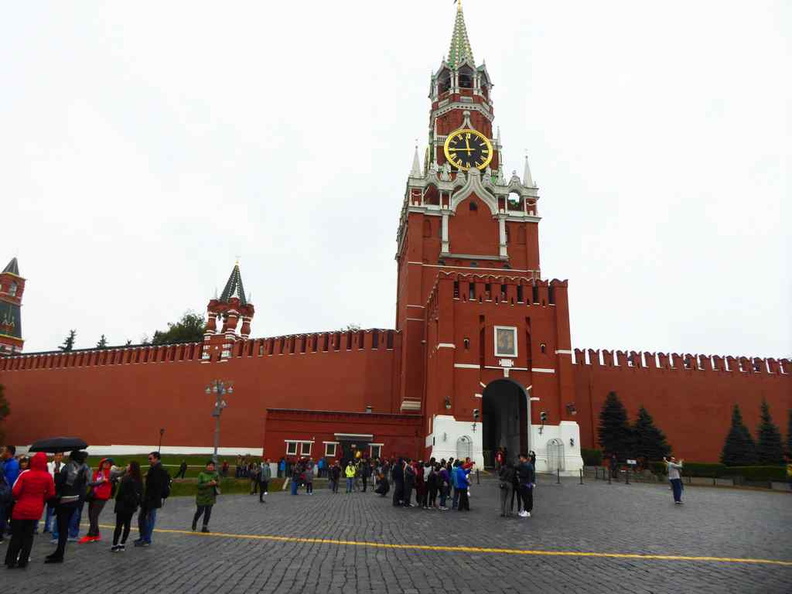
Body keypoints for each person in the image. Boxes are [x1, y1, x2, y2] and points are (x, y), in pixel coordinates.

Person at [4, 452, 54, 568]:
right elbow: (51, 493)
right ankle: (23, 560)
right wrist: (41, 498)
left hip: (21, 508)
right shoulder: (47, 477)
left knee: (16, 535)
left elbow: (15, 491)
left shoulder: (25, 474)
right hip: (36, 509)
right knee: (28, 536)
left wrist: (19, 498)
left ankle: (11, 560)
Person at [46, 450, 90, 564]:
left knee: (62, 527)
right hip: (74, 499)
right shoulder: (84, 468)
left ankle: (59, 553)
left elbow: (61, 483)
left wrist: (57, 474)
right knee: (64, 528)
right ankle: (59, 552)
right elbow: (85, 483)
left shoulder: (68, 467)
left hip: (64, 500)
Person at [134, 451, 170, 547]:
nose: (149, 460)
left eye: (150, 458)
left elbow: (156, 485)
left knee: (150, 519)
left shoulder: (158, 470)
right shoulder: (153, 469)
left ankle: (146, 539)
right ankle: (142, 537)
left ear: (156, 458)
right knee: (141, 518)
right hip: (147, 498)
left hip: (152, 499)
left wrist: (149, 476)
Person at [111, 461, 143, 552]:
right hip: (132, 505)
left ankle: (115, 544)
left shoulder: (126, 478)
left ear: (131, 467)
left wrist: (117, 499)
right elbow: (141, 492)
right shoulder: (139, 479)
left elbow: (121, 492)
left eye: (128, 465)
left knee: (119, 525)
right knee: (127, 524)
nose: (127, 466)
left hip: (123, 504)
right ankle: (122, 544)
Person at [80, 457, 113, 543]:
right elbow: (91, 483)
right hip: (93, 496)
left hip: (102, 497)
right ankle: (96, 534)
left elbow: (119, 474)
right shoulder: (97, 473)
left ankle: (91, 535)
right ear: (101, 463)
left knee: (94, 515)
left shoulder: (111, 473)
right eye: (105, 462)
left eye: (108, 463)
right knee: (91, 515)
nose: (106, 464)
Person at [193, 461, 220, 533]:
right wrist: (209, 484)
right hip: (201, 496)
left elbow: (219, 483)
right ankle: (195, 520)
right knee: (200, 511)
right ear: (206, 466)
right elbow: (198, 485)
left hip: (211, 497)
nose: (210, 467)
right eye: (209, 465)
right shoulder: (201, 474)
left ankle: (204, 527)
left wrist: (216, 483)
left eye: (212, 465)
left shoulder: (216, 474)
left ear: (214, 467)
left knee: (208, 512)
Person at [1, 445, 21, 541]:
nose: (2, 453)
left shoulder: (13, 464)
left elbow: (10, 482)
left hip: (6, 495)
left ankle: (7, 531)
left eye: (3, 451)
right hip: (4, 494)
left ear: (8, 452)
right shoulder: (4, 462)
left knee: (6, 514)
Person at [42, 453, 64, 534]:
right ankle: (35, 527)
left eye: (60, 455)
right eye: (57, 455)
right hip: (45, 490)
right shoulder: (48, 465)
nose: (58, 457)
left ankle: (48, 527)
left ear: (63, 456)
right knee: (40, 508)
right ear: (54, 456)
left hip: (55, 491)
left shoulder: (64, 466)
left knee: (51, 510)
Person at [516, 453, 535, 518]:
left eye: (520, 457)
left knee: (525, 498)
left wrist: (518, 474)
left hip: (525, 483)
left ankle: (526, 511)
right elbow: (532, 474)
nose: (519, 459)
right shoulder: (529, 464)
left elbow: (524, 475)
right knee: (528, 497)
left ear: (523, 457)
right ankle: (526, 510)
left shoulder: (525, 465)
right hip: (529, 484)